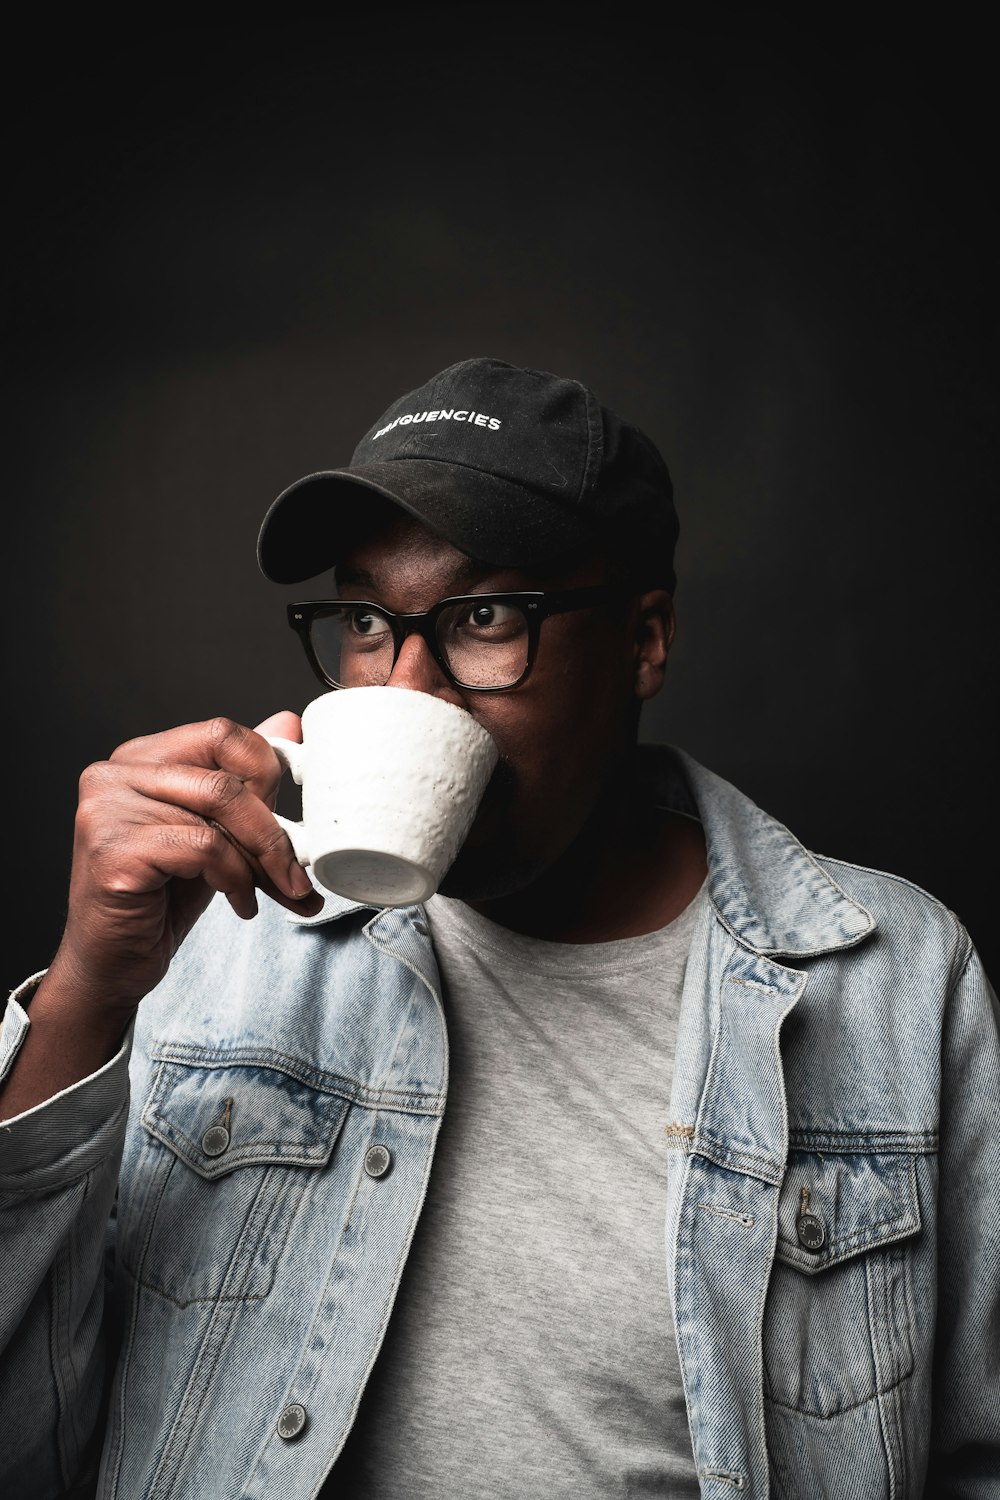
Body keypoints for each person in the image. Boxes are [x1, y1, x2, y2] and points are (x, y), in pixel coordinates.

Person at [0, 356, 997, 1500]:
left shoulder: (895, 981)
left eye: (483, 616)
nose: (409, 690)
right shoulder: (216, 940)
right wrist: (84, 997)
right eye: (368, 622)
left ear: (643, 641)